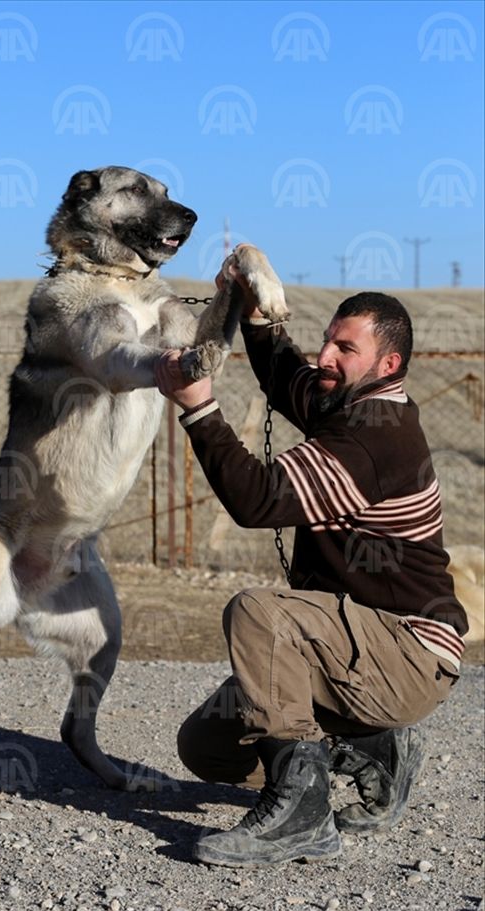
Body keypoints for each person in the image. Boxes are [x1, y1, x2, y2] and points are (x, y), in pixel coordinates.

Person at [155, 247, 467, 868]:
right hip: (354, 640)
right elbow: (281, 376)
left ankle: (301, 813)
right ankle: (374, 746)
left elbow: (258, 498)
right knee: (207, 748)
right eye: (328, 341)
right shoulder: (350, 400)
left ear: (389, 362)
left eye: (344, 349)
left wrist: (198, 406)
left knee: (259, 613)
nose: (326, 357)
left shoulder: (374, 437)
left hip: (409, 650)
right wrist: (251, 304)